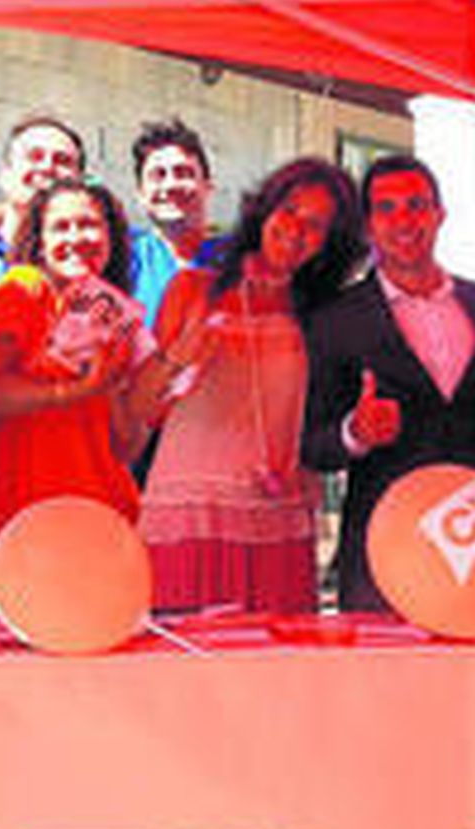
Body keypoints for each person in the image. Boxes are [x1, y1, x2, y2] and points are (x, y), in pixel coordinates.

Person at [141, 158, 364, 614]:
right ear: (264, 209)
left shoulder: (322, 317)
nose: (296, 229)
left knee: (271, 675)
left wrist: (335, 446)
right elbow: (137, 411)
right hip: (190, 516)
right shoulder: (192, 289)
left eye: (316, 224)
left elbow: (321, 430)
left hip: (277, 518)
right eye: (290, 209)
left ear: (330, 244)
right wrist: (175, 360)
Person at [301, 155, 475, 611]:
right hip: (381, 540)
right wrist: (355, 432)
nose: (403, 221)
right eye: (386, 209)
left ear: (440, 214)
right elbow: (310, 443)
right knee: (386, 677)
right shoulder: (336, 319)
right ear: (368, 225)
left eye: (416, 205)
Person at [0, 180, 195, 529]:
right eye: (60, 227)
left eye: (89, 224)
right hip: (26, 513)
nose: (76, 238)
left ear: (111, 237)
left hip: (104, 512)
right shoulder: (24, 288)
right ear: (41, 243)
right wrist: (70, 392)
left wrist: (120, 391)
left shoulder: (120, 318)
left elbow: (127, 449)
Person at [0, 114, 87, 314]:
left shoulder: (97, 261)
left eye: (63, 161)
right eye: (34, 156)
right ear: (5, 175)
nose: (47, 167)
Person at [128, 117, 219, 326]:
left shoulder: (239, 262)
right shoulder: (123, 261)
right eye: (158, 175)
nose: (170, 185)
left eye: (183, 173)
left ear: (207, 186)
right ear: (140, 193)